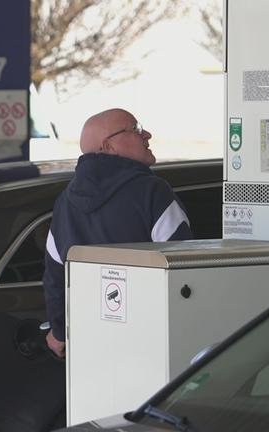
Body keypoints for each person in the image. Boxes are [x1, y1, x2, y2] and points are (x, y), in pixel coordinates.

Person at [43, 108, 193, 358]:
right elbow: (185, 266)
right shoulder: (153, 193)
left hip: (89, 346)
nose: (147, 134)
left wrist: (60, 331)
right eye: (135, 129)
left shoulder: (65, 201)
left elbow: (55, 276)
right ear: (108, 146)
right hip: (151, 343)